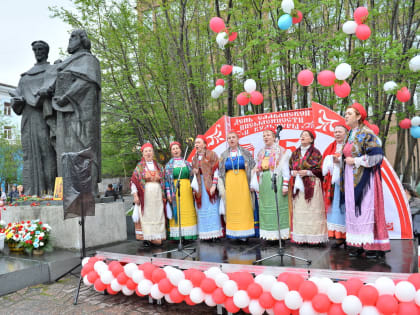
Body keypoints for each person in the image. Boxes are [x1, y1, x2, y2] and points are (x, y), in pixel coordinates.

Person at [53, 29, 101, 195]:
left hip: (84, 115)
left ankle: (88, 189)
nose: (70, 40)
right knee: (69, 150)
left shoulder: (89, 60)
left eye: (73, 37)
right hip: (67, 115)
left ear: (81, 40)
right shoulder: (68, 62)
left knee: (85, 147)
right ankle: (72, 189)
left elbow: (85, 84)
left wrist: (66, 96)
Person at [343, 103, 390, 258]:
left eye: (349, 113)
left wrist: (356, 161)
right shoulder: (351, 134)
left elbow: (377, 156)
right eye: (346, 113)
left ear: (358, 116)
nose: (346, 116)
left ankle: (373, 245)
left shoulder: (367, 133)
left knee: (365, 209)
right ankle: (358, 243)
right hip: (351, 176)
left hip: (366, 177)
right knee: (354, 211)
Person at [10, 40, 56, 196]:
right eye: (35, 49)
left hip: (43, 116)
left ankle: (50, 189)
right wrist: (17, 100)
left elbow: (56, 91)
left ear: (46, 51)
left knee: (47, 152)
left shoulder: (51, 71)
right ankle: (32, 191)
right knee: (29, 154)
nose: (38, 52)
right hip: (28, 118)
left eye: (41, 49)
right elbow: (17, 96)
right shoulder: (25, 77)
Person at [289, 129, 328, 245]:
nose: (303, 137)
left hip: (312, 185)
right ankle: (301, 237)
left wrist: (308, 172)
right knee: (300, 211)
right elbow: (290, 167)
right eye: (301, 135)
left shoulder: (316, 153)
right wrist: (293, 173)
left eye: (306, 135)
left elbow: (320, 170)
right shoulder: (295, 153)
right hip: (299, 185)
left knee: (312, 211)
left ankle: (314, 238)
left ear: (311, 139)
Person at [218, 131, 255, 241]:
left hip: (243, 184)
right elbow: (220, 172)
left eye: (233, 137)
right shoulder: (224, 155)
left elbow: (253, 168)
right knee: (232, 208)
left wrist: (251, 179)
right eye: (229, 138)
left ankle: (245, 234)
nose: (231, 139)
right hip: (230, 185)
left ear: (238, 139)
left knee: (244, 207)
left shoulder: (246, 153)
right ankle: (233, 233)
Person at [255, 128, 290, 241]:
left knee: (277, 207)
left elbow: (285, 168)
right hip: (264, 182)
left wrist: (285, 184)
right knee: (266, 208)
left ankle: (280, 236)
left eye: (268, 135)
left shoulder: (280, 150)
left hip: (276, 180)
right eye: (264, 135)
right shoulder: (261, 152)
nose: (266, 137)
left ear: (274, 137)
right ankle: (269, 235)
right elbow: (259, 167)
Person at [130, 143, 166, 246]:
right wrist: (135, 195)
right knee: (147, 215)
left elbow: (164, 181)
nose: (148, 153)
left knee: (158, 215)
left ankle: (158, 236)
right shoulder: (140, 167)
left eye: (150, 151)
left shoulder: (159, 166)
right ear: (143, 154)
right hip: (145, 195)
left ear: (153, 152)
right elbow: (133, 181)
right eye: (146, 151)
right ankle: (147, 238)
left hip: (158, 195)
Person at [191, 135, 223, 240]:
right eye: (196, 143)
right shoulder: (194, 158)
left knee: (212, 209)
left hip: (209, 186)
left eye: (199, 142)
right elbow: (194, 173)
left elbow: (216, 171)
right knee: (202, 210)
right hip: (200, 188)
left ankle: (214, 234)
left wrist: (214, 185)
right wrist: (195, 172)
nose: (197, 145)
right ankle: (205, 234)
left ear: (204, 144)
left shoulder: (212, 155)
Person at [164, 141, 198, 240]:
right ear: (171, 151)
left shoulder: (187, 163)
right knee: (177, 211)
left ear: (180, 150)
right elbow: (166, 180)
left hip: (187, 190)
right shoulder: (169, 165)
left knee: (187, 211)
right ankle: (178, 236)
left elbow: (192, 177)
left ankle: (188, 235)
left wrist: (193, 190)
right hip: (175, 190)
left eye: (177, 148)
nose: (175, 150)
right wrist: (169, 194)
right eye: (173, 149)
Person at [322, 125, 348, 248]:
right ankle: (338, 236)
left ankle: (348, 236)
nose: (337, 134)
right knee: (335, 209)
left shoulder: (349, 145)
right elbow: (323, 162)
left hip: (346, 182)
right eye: (335, 132)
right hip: (334, 184)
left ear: (346, 133)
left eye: (340, 132)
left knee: (345, 209)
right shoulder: (331, 146)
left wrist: (340, 162)